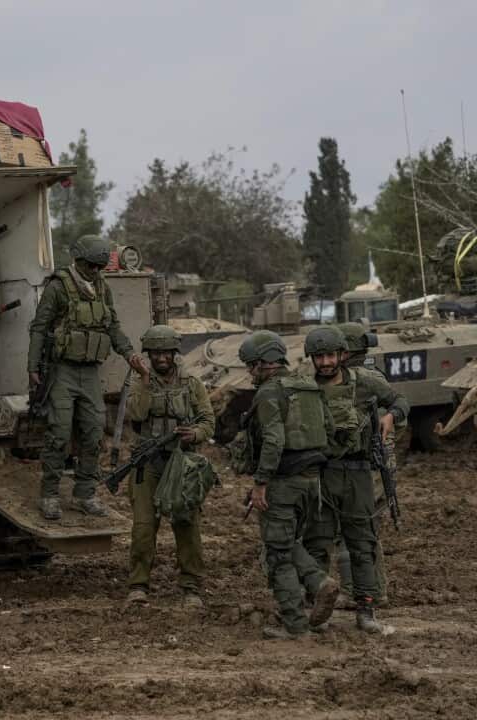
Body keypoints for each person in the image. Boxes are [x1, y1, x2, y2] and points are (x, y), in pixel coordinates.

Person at [28, 234, 146, 520]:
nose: (94, 271)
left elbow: (113, 327)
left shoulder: (102, 289)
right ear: (78, 261)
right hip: (63, 371)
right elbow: (39, 328)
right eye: (90, 266)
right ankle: (50, 494)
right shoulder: (58, 287)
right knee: (58, 433)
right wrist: (32, 366)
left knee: (94, 433)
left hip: (91, 372)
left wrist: (131, 354)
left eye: (99, 267)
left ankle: (85, 494)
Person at [301, 326, 407, 633]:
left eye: (330, 355)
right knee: (318, 543)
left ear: (343, 355)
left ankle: (366, 611)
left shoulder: (365, 382)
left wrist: (390, 416)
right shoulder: (305, 386)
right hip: (320, 473)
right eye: (319, 356)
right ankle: (317, 609)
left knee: (362, 543)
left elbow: (400, 400)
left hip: (357, 473)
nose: (325, 362)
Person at [237, 330, 340, 640]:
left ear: (261, 364)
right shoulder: (309, 386)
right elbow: (331, 430)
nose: (249, 373)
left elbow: (274, 438)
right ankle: (315, 583)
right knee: (290, 542)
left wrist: (261, 482)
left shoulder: (269, 392)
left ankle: (297, 621)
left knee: (278, 552)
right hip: (312, 482)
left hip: (282, 481)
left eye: (250, 366)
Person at [124, 325, 215, 608]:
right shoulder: (140, 382)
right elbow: (135, 414)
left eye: (165, 352)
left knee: (186, 525)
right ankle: (138, 585)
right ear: (148, 354)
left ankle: (192, 587)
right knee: (143, 528)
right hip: (148, 463)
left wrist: (196, 434)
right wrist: (146, 379)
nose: (161, 357)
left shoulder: (191, 384)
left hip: (181, 464)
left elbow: (208, 420)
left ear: (174, 353)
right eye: (155, 352)